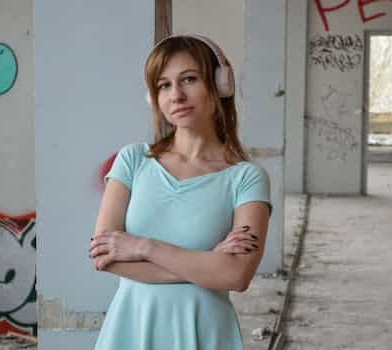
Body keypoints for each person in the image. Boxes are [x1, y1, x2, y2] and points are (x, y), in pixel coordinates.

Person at [89, 34, 272, 349]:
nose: (176, 95)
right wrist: (207, 264)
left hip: (204, 330)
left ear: (220, 85)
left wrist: (143, 247)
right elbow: (105, 256)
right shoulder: (132, 160)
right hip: (132, 329)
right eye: (163, 85)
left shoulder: (246, 178)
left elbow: (236, 276)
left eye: (189, 79)